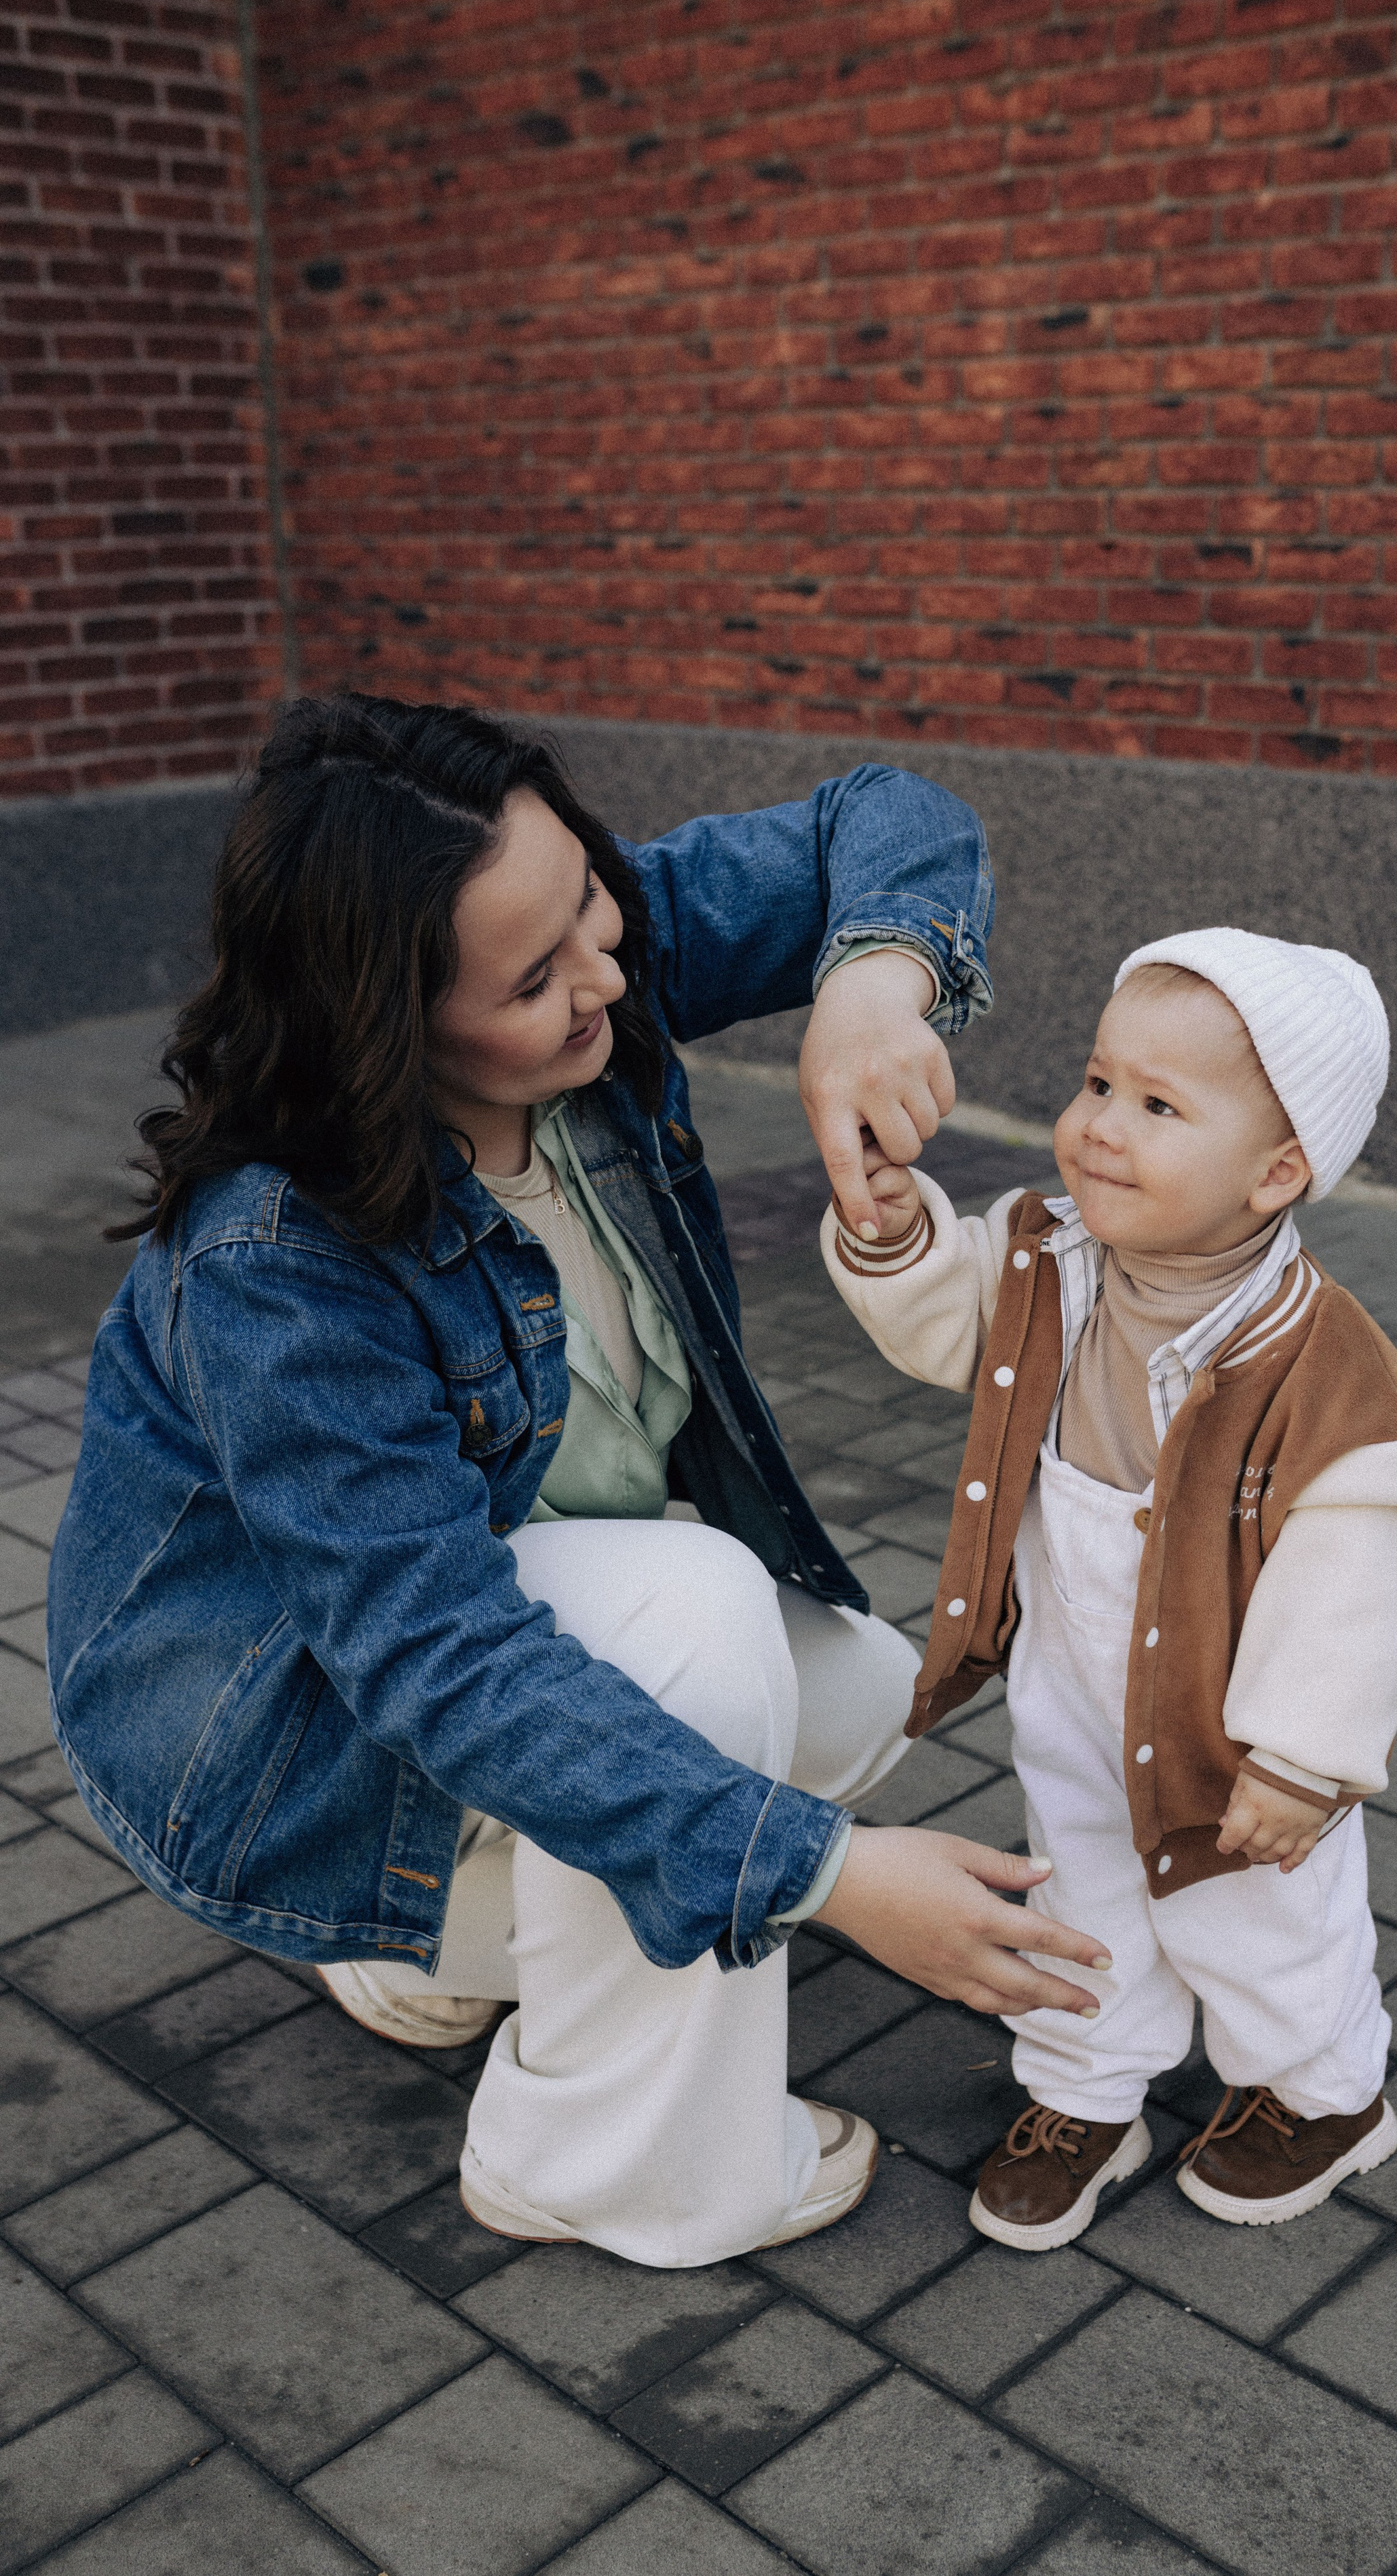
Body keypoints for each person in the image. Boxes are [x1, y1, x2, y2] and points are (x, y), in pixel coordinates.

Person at [46, 694, 1113, 2271]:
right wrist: (825, 1880)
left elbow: (885, 817)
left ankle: (444, 1953)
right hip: (275, 1748)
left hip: (464, 1657)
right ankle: (616, 2164)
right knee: (695, 1638)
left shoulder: (593, 979)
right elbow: (441, 1654)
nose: (607, 975)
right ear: (382, 1026)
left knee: (853, 1689)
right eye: (533, 978)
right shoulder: (279, 1261)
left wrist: (870, 990)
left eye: (593, 906)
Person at [822, 928, 1397, 2246]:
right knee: (1078, 1879)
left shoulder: (1314, 1358)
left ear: (1274, 1172)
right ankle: (1086, 2087)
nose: (1099, 1128)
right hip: (1070, 1668)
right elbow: (956, 1320)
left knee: (1259, 1911)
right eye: (1096, 1082)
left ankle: (1321, 2093)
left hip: (1230, 1711)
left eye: (1158, 1106)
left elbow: (1360, 1567)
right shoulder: (1046, 1256)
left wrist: (1300, 1755)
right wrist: (895, 1242)